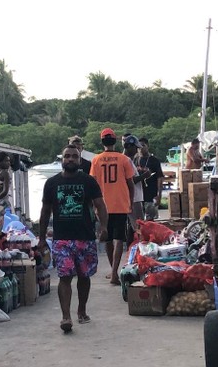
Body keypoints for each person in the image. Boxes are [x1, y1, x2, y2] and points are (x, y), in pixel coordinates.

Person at [39, 144, 108, 333]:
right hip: (62, 239)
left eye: (74, 157)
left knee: (84, 276)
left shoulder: (88, 182)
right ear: (62, 159)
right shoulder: (52, 183)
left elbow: (100, 205)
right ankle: (65, 316)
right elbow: (45, 210)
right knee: (65, 276)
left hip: (85, 237)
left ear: (79, 160)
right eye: (67, 156)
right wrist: (42, 237)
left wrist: (103, 227)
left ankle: (82, 310)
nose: (70, 159)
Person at [89, 128, 138, 285]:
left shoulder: (96, 160)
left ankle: (113, 271)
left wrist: (93, 206)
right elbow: (131, 184)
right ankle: (115, 272)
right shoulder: (123, 160)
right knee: (119, 239)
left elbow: (93, 184)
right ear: (115, 141)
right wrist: (130, 202)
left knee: (108, 240)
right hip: (120, 204)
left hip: (102, 206)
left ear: (102, 141)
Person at [136, 137, 165, 220]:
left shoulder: (154, 160)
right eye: (139, 146)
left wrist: (159, 195)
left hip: (150, 195)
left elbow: (160, 178)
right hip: (138, 196)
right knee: (139, 222)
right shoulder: (135, 160)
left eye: (143, 146)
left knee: (150, 221)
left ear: (147, 146)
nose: (141, 148)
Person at [122, 134, 145, 226]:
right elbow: (131, 180)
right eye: (135, 148)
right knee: (139, 225)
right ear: (129, 147)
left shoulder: (129, 161)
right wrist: (144, 176)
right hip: (133, 198)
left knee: (135, 226)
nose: (136, 151)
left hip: (136, 197)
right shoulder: (125, 161)